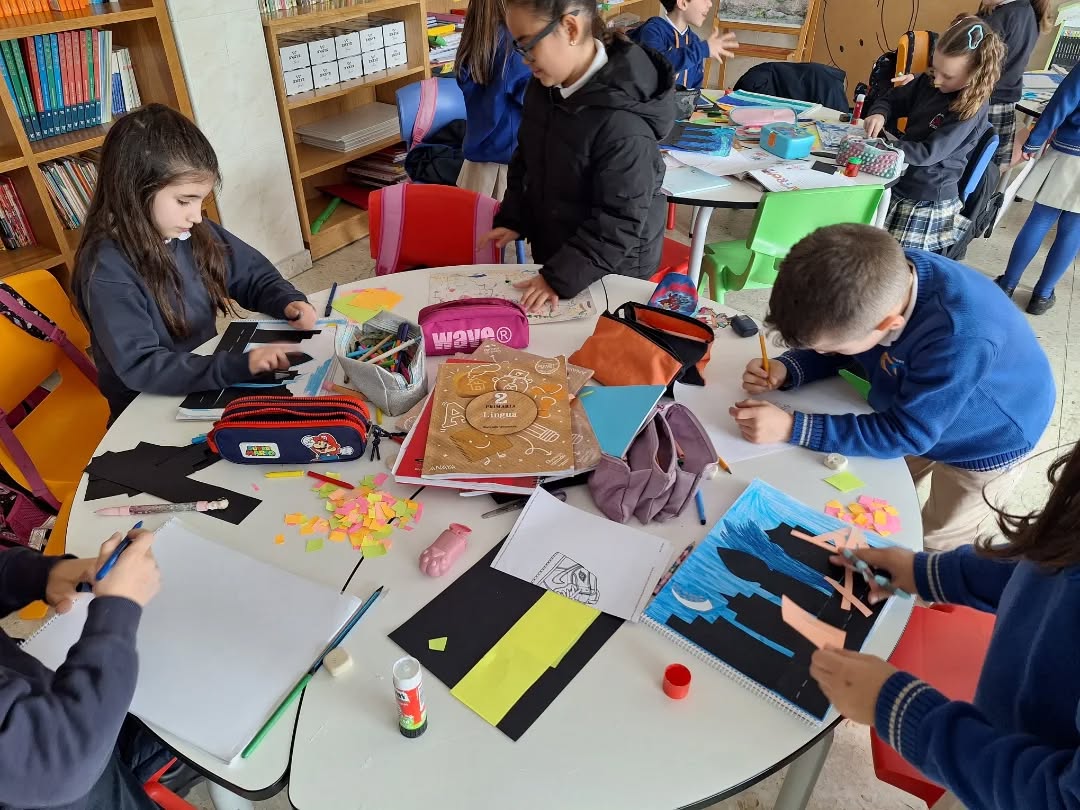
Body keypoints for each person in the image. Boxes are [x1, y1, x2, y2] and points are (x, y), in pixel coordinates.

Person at [733, 223, 1054, 552]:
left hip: (988, 437)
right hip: (918, 407)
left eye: (829, 349)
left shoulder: (957, 335)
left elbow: (907, 433)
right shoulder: (879, 280)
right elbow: (846, 336)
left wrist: (793, 427)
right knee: (877, 500)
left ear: (890, 325)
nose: (822, 353)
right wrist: (791, 367)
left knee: (936, 540)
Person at [810, 440, 1080, 810]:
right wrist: (924, 572)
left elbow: (1059, 799)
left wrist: (897, 708)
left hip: (1006, 784)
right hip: (986, 756)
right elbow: (1048, 562)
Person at [72, 104, 318, 422]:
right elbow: (142, 366)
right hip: (145, 408)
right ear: (134, 191)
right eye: (184, 201)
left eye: (201, 200)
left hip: (201, 378)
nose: (197, 215)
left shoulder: (188, 231)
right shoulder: (106, 269)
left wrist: (286, 301)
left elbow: (252, 276)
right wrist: (239, 366)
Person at [481, 0, 675, 314]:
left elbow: (619, 221)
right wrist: (515, 217)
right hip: (560, 248)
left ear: (570, 29)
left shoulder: (623, 125)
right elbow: (527, 157)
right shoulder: (545, 86)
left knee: (598, 339)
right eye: (519, 47)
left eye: (529, 45)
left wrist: (558, 279)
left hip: (614, 269)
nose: (525, 60)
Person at [0, 529, 198, 809]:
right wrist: (117, 613)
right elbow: (57, 762)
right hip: (62, 779)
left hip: (63, 713)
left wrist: (43, 574)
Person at [863, 17, 1003, 253]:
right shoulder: (929, 81)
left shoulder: (970, 108)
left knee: (896, 262)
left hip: (927, 198)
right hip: (902, 179)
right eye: (934, 69)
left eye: (947, 76)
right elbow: (891, 100)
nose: (936, 80)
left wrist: (884, 146)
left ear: (975, 75)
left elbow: (929, 153)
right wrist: (879, 113)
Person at [995, 63, 1080, 315]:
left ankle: (1007, 284)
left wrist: (1034, 141)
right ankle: (1042, 296)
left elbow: (1064, 100)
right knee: (1073, 230)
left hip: (1069, 151)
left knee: (1040, 220)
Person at [454, 0, 533, 200]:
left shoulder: (476, 37)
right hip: (505, 173)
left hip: (474, 171)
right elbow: (537, 103)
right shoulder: (513, 46)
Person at [979, 0, 1050, 169]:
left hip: (985, 104)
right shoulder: (1026, 11)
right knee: (985, 169)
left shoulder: (1004, 16)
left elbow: (973, 64)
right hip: (999, 104)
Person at [629, 0, 738, 90]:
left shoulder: (694, 41)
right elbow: (658, 68)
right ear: (682, 3)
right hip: (651, 108)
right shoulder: (652, 31)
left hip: (681, 108)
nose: (710, 4)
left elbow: (695, 87)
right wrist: (702, 50)